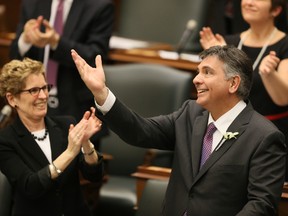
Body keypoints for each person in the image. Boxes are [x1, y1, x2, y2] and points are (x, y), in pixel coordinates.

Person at [71, 45, 287, 215]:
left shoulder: (264, 137)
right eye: (197, 71)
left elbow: (261, 205)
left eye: (207, 72)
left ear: (233, 84)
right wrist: (101, 93)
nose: (196, 79)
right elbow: (140, 131)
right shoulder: (190, 114)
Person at [0, 58, 104, 216]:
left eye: (45, 88)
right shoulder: (6, 141)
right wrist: (70, 152)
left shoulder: (65, 125)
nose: (43, 96)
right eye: (33, 90)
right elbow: (31, 186)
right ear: (12, 98)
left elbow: (94, 175)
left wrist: (86, 143)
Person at [199, 0, 288, 181]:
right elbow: (214, 92)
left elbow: (283, 98)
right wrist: (216, 61)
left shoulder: (284, 45)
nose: (249, 2)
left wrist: (270, 74)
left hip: (270, 135)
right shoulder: (229, 43)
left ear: (276, 9)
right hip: (229, 131)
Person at [10, 0, 114, 147]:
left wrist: (56, 42)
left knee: (81, 166)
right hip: (33, 102)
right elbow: (14, 56)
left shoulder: (99, 6)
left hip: (75, 106)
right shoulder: (32, 3)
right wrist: (25, 40)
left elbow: (94, 56)